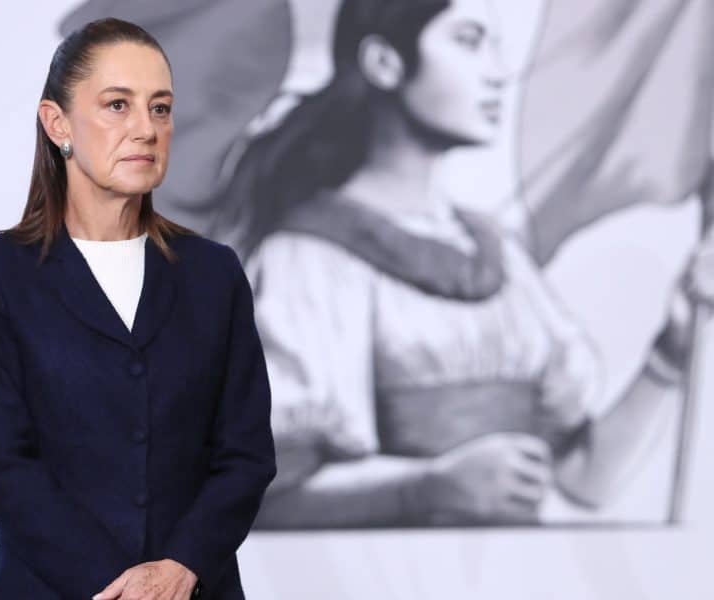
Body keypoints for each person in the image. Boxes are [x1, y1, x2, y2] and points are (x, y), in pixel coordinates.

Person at [210, 0, 708, 528]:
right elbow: (269, 492)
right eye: (469, 42)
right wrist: (429, 486)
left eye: (494, 46)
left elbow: (584, 480)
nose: (498, 72)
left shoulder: (502, 260)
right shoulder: (309, 259)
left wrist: (670, 354)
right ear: (385, 63)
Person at [0, 18, 275, 599]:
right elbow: (3, 465)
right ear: (57, 123)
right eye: (117, 105)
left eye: (160, 108)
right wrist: (121, 588)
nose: (145, 129)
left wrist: (178, 568)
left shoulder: (214, 273)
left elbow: (246, 457)